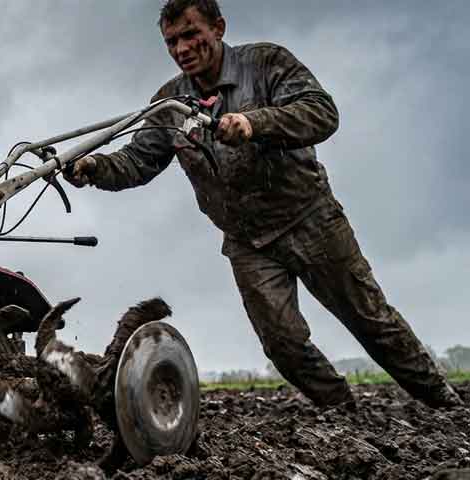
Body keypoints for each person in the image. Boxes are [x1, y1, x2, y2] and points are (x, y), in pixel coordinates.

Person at [64, 0, 462, 408]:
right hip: (247, 241)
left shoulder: (266, 64)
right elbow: (137, 161)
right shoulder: (169, 103)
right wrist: (94, 167)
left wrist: (255, 123)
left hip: (309, 219)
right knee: (282, 344)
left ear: (218, 28)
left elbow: (322, 112)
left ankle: (445, 405)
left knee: (371, 321)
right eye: (171, 41)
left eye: (190, 34)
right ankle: (344, 409)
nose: (181, 49)